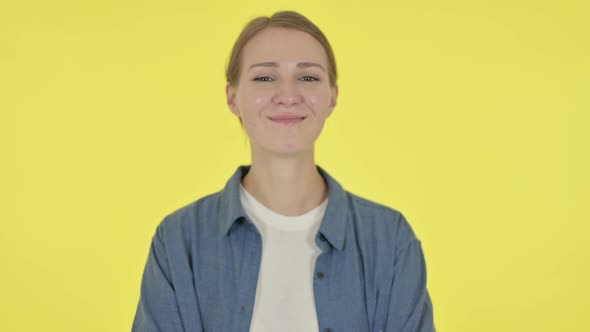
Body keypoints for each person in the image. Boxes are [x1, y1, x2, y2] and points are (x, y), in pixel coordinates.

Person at [132, 10, 435, 332]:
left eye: (308, 77)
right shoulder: (179, 239)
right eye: (265, 77)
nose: (288, 95)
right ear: (233, 97)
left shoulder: (390, 239)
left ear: (332, 96)